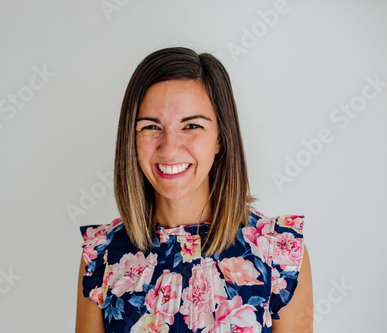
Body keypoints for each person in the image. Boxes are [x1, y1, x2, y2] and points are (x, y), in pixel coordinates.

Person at [75, 47, 313, 333]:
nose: (169, 147)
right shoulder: (101, 255)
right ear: (131, 139)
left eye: (191, 125)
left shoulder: (279, 253)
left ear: (220, 140)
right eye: (151, 126)